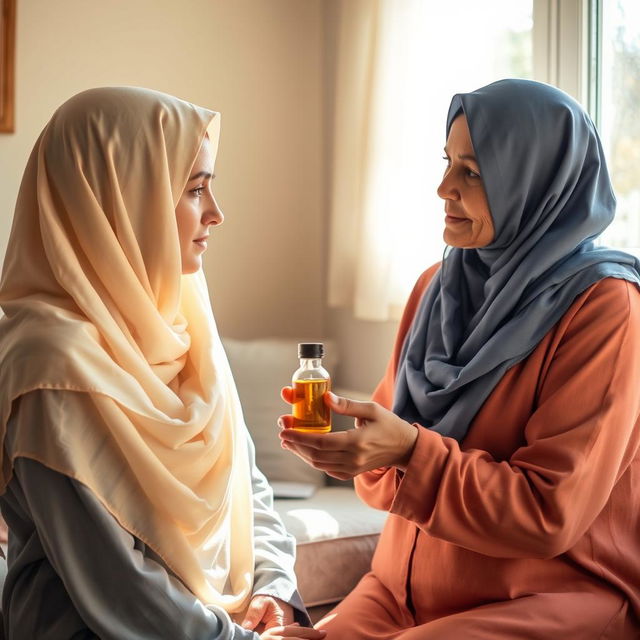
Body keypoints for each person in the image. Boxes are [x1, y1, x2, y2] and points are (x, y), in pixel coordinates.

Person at [278, 79, 640, 638]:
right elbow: (385, 473)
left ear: (536, 183)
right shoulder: (436, 288)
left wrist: (407, 450)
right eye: (448, 162)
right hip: (398, 593)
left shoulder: (603, 306)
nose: (443, 187)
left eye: (472, 172)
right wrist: (354, 451)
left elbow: (548, 512)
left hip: (549, 599)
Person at [0, 87, 327, 640]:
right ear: (125, 199)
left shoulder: (184, 317)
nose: (217, 214)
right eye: (195, 190)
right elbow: (114, 584)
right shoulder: (48, 363)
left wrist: (274, 586)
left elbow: (244, 483)